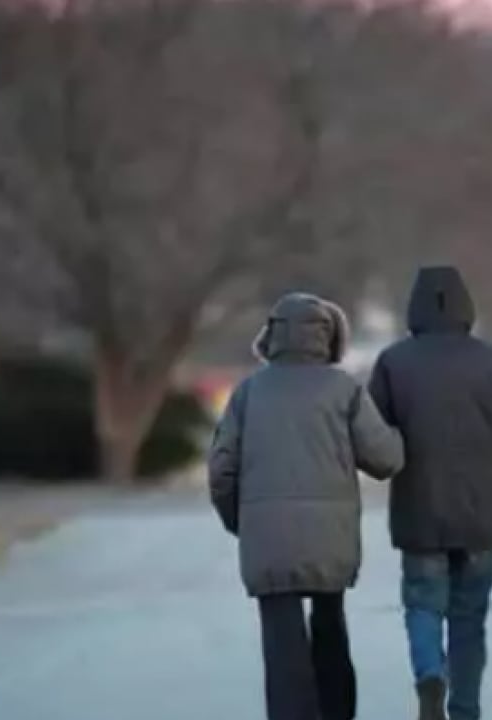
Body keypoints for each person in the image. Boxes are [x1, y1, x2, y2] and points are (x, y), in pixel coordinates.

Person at [209, 292, 404, 720]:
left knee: (282, 641)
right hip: (329, 538)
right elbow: (386, 459)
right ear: (329, 338)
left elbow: (221, 469)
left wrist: (240, 521)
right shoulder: (344, 390)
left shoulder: (248, 393)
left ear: (271, 336)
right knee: (329, 621)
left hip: (268, 537)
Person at [368, 266, 492, 720]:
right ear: (466, 307)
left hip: (419, 510)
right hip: (482, 513)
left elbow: (374, 434)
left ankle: (429, 673)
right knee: (469, 619)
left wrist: (390, 467)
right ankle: (464, 709)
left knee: (423, 603)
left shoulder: (392, 362)